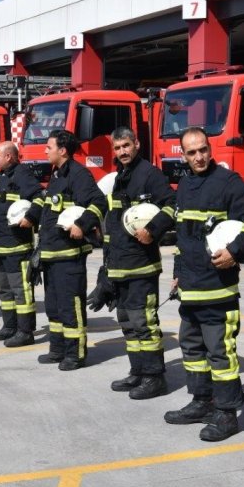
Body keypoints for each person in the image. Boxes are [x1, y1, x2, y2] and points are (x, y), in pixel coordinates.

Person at [163, 126, 244, 441]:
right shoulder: (184, 185)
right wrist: (178, 272)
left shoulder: (227, 182)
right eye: (192, 152)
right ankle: (201, 402)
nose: (199, 157)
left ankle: (226, 414)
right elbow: (183, 238)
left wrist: (235, 251)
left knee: (220, 354)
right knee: (191, 348)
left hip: (218, 290)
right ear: (183, 154)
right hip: (191, 288)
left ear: (211, 149)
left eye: (203, 150)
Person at [90, 127, 175, 399]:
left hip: (142, 266)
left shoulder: (150, 175)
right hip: (120, 265)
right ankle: (138, 371)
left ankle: (154, 378)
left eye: (126, 146)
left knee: (144, 321)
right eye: (117, 148)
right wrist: (107, 269)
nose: (122, 152)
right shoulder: (119, 178)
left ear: (136, 144)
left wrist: (153, 229)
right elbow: (115, 226)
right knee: (127, 321)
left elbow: (173, 205)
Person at [25, 130, 106, 370]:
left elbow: (98, 203)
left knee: (71, 308)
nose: (45, 150)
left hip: (69, 257)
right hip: (52, 255)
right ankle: (58, 348)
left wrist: (82, 225)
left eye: (49, 146)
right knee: (54, 307)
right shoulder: (57, 175)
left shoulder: (79, 174)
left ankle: (76, 354)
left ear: (62, 150)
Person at [0, 141, 41, 347]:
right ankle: (9, 326)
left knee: (21, 290)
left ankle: (25, 331)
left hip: (17, 245)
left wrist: (30, 218)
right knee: (5, 289)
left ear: (9, 157)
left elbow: (39, 198)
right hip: (2, 244)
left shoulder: (22, 175)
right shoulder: (4, 176)